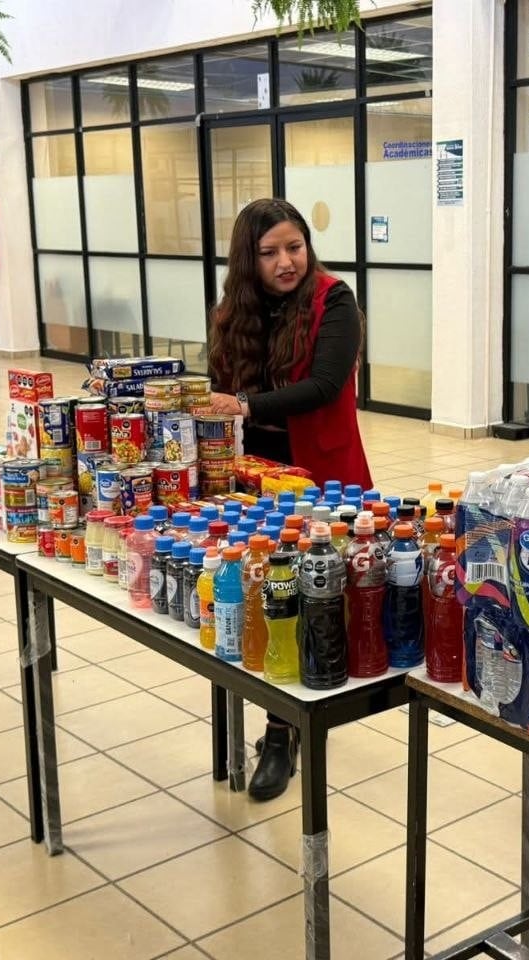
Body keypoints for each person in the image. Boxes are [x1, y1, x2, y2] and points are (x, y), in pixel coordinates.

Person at [205, 197, 373, 801]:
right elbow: (220, 386)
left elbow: (324, 385)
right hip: (254, 479)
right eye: (270, 252)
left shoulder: (334, 300)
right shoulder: (235, 311)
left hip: (318, 479)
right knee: (258, 592)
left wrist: (244, 405)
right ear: (247, 260)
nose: (286, 262)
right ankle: (277, 711)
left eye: (295, 247)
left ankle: (282, 733)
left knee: (305, 596)